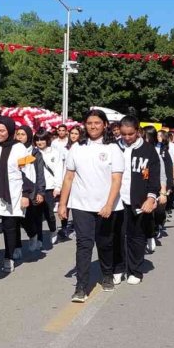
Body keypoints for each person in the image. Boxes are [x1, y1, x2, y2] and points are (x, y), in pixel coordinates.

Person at [58, 109, 124, 303]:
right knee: (84, 244)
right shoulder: (77, 148)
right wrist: (63, 204)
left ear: (105, 125)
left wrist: (109, 204)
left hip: (106, 206)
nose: (93, 126)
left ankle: (107, 274)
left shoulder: (113, 149)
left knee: (105, 243)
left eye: (97, 123)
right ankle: (81, 286)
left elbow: (116, 179)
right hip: (81, 205)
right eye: (89, 123)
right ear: (84, 125)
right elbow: (68, 177)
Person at [117, 117, 160, 285]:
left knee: (136, 237)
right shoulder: (115, 147)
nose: (127, 137)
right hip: (117, 200)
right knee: (117, 235)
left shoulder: (148, 150)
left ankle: (135, 270)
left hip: (139, 201)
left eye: (130, 134)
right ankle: (118, 268)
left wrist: (151, 197)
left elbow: (154, 176)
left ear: (138, 131)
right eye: (123, 134)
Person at [0, 117, 27, 274]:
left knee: (10, 227)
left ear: (10, 131)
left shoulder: (20, 148)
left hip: (13, 194)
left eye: (2, 131)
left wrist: (26, 194)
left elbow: (28, 172)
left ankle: (9, 256)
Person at [15, 125, 46, 253]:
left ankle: (34, 235)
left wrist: (40, 192)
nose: (20, 137)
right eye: (18, 134)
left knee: (30, 217)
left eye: (23, 134)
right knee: (15, 220)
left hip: (31, 190)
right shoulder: (12, 150)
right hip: (15, 188)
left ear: (28, 136)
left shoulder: (35, 153)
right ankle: (16, 247)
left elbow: (40, 174)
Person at [35, 129, 62, 246]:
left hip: (49, 187)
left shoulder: (55, 152)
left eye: (42, 139)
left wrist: (58, 187)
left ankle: (53, 230)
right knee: (37, 215)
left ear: (47, 140)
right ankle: (39, 238)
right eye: (37, 140)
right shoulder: (33, 152)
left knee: (49, 214)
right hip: (36, 188)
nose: (39, 142)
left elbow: (59, 170)